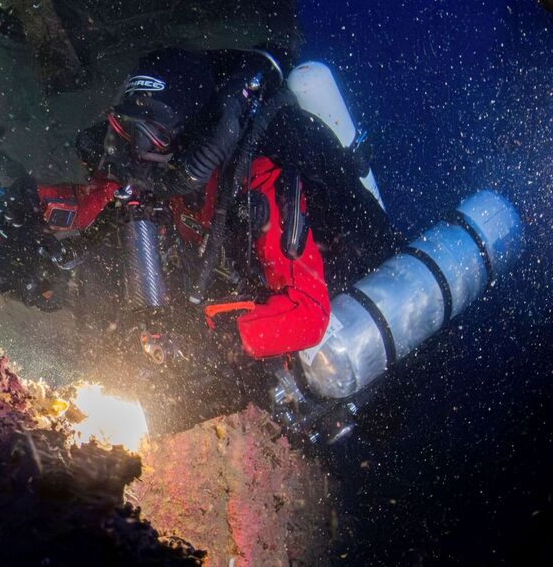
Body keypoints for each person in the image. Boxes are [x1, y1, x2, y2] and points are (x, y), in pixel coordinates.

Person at [34, 48, 396, 388]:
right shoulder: (148, 159)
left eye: (150, 137)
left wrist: (216, 338)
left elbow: (307, 313)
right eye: (122, 128)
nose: (132, 151)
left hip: (308, 301)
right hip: (215, 285)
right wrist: (27, 207)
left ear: (194, 137)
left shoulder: (261, 176)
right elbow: (90, 203)